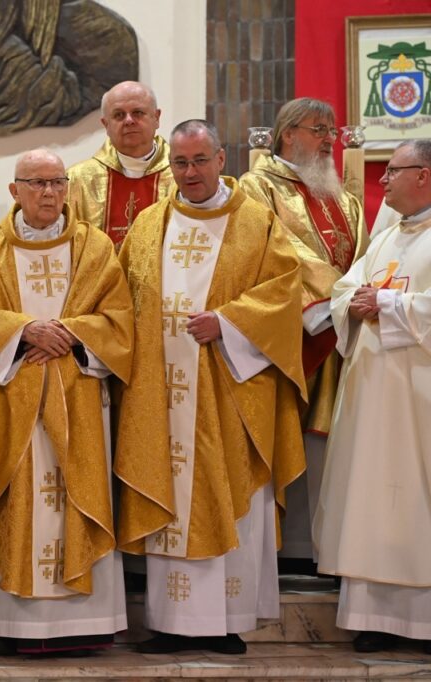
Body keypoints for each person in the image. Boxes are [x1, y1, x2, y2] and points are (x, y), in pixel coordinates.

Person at [0, 149, 134, 656]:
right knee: (10, 500)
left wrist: (69, 334)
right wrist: (24, 331)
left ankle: (83, 625)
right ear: (14, 190)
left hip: (78, 398)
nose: (49, 192)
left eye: (57, 182)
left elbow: (119, 322)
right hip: (5, 401)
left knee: (73, 498)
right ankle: (1, 622)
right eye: (37, 183)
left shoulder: (96, 248)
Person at [116, 120, 306, 654]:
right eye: (180, 163)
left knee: (231, 493)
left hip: (229, 389)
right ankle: (170, 624)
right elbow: (120, 298)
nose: (190, 172)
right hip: (160, 393)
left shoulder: (255, 221)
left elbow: (284, 292)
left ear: (221, 159)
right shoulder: (149, 224)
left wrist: (227, 322)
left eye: (200, 160)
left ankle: (228, 621)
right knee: (171, 499)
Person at [314, 139, 431, 654]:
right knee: (369, 496)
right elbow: (346, 288)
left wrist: (386, 302)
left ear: (423, 175)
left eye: (393, 172)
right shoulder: (384, 238)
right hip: (372, 393)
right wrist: (356, 303)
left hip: (417, 397)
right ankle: (373, 618)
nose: (382, 181)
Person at [239, 98, 368, 563]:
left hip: (344, 331)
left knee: (338, 441)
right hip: (295, 331)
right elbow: (277, 246)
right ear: (288, 133)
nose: (329, 140)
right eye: (319, 130)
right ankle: (292, 549)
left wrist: (355, 300)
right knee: (294, 437)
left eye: (332, 131)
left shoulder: (343, 197)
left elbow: (364, 256)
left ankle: (333, 547)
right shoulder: (256, 186)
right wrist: (338, 299)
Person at [67, 81, 175, 250]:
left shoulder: (180, 176)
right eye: (119, 115)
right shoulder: (77, 180)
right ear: (106, 125)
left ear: (156, 118)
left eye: (138, 113)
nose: (129, 121)